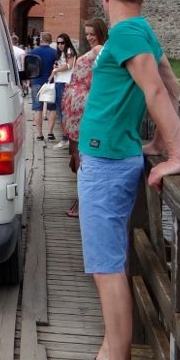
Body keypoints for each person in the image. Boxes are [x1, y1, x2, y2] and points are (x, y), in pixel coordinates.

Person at [76, 0, 180, 360]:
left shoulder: (124, 35)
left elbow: (157, 92)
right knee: (110, 264)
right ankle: (107, 352)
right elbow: (172, 85)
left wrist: (175, 154)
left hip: (104, 164)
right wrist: (157, 142)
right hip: (114, 157)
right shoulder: (141, 30)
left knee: (106, 270)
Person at [60, 18, 109, 216]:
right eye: (87, 33)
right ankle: (83, 197)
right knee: (75, 152)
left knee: (79, 153)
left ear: (100, 33)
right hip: (76, 105)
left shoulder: (100, 49)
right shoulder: (96, 49)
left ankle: (84, 199)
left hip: (83, 106)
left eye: (92, 33)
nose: (89, 37)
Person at [28, 31, 58, 141]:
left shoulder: (33, 52)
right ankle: (50, 133)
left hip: (36, 81)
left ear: (40, 40)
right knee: (52, 108)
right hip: (51, 82)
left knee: (37, 109)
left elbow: (29, 67)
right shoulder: (55, 53)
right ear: (50, 40)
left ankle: (40, 135)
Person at [51, 33, 79, 148]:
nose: (60, 45)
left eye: (62, 42)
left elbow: (69, 65)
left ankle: (65, 138)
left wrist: (56, 70)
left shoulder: (69, 51)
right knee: (61, 110)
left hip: (64, 82)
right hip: (60, 81)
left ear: (66, 42)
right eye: (58, 43)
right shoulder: (63, 52)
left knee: (62, 110)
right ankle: (66, 137)